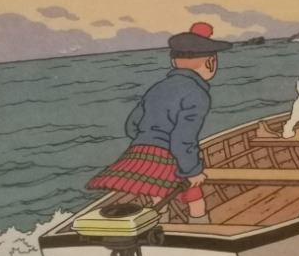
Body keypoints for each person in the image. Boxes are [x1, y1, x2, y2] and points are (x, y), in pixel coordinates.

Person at [88, 22, 232, 222]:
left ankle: (159, 225)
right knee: (194, 193)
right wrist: (192, 171)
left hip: (140, 151)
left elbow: (132, 125)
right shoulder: (197, 93)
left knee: (156, 191)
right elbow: (183, 138)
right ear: (210, 63)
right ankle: (200, 223)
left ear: (173, 61)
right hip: (171, 154)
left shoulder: (157, 88)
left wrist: (149, 138)